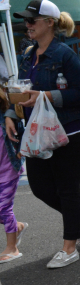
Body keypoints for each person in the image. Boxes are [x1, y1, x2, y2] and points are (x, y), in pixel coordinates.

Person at [3, 0, 80, 269]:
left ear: (50, 23)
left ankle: (69, 247)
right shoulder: (29, 54)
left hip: (71, 131)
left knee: (67, 188)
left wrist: (44, 96)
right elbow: (20, 89)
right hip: (38, 132)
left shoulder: (64, 54)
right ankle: (78, 218)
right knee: (41, 188)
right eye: (26, 21)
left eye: (32, 21)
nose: (27, 25)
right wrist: (10, 114)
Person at [0, 88, 26, 263]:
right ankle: (16, 227)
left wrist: (20, 152)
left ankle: (13, 248)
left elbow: (23, 131)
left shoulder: (6, 117)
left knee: (3, 208)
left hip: (8, 170)